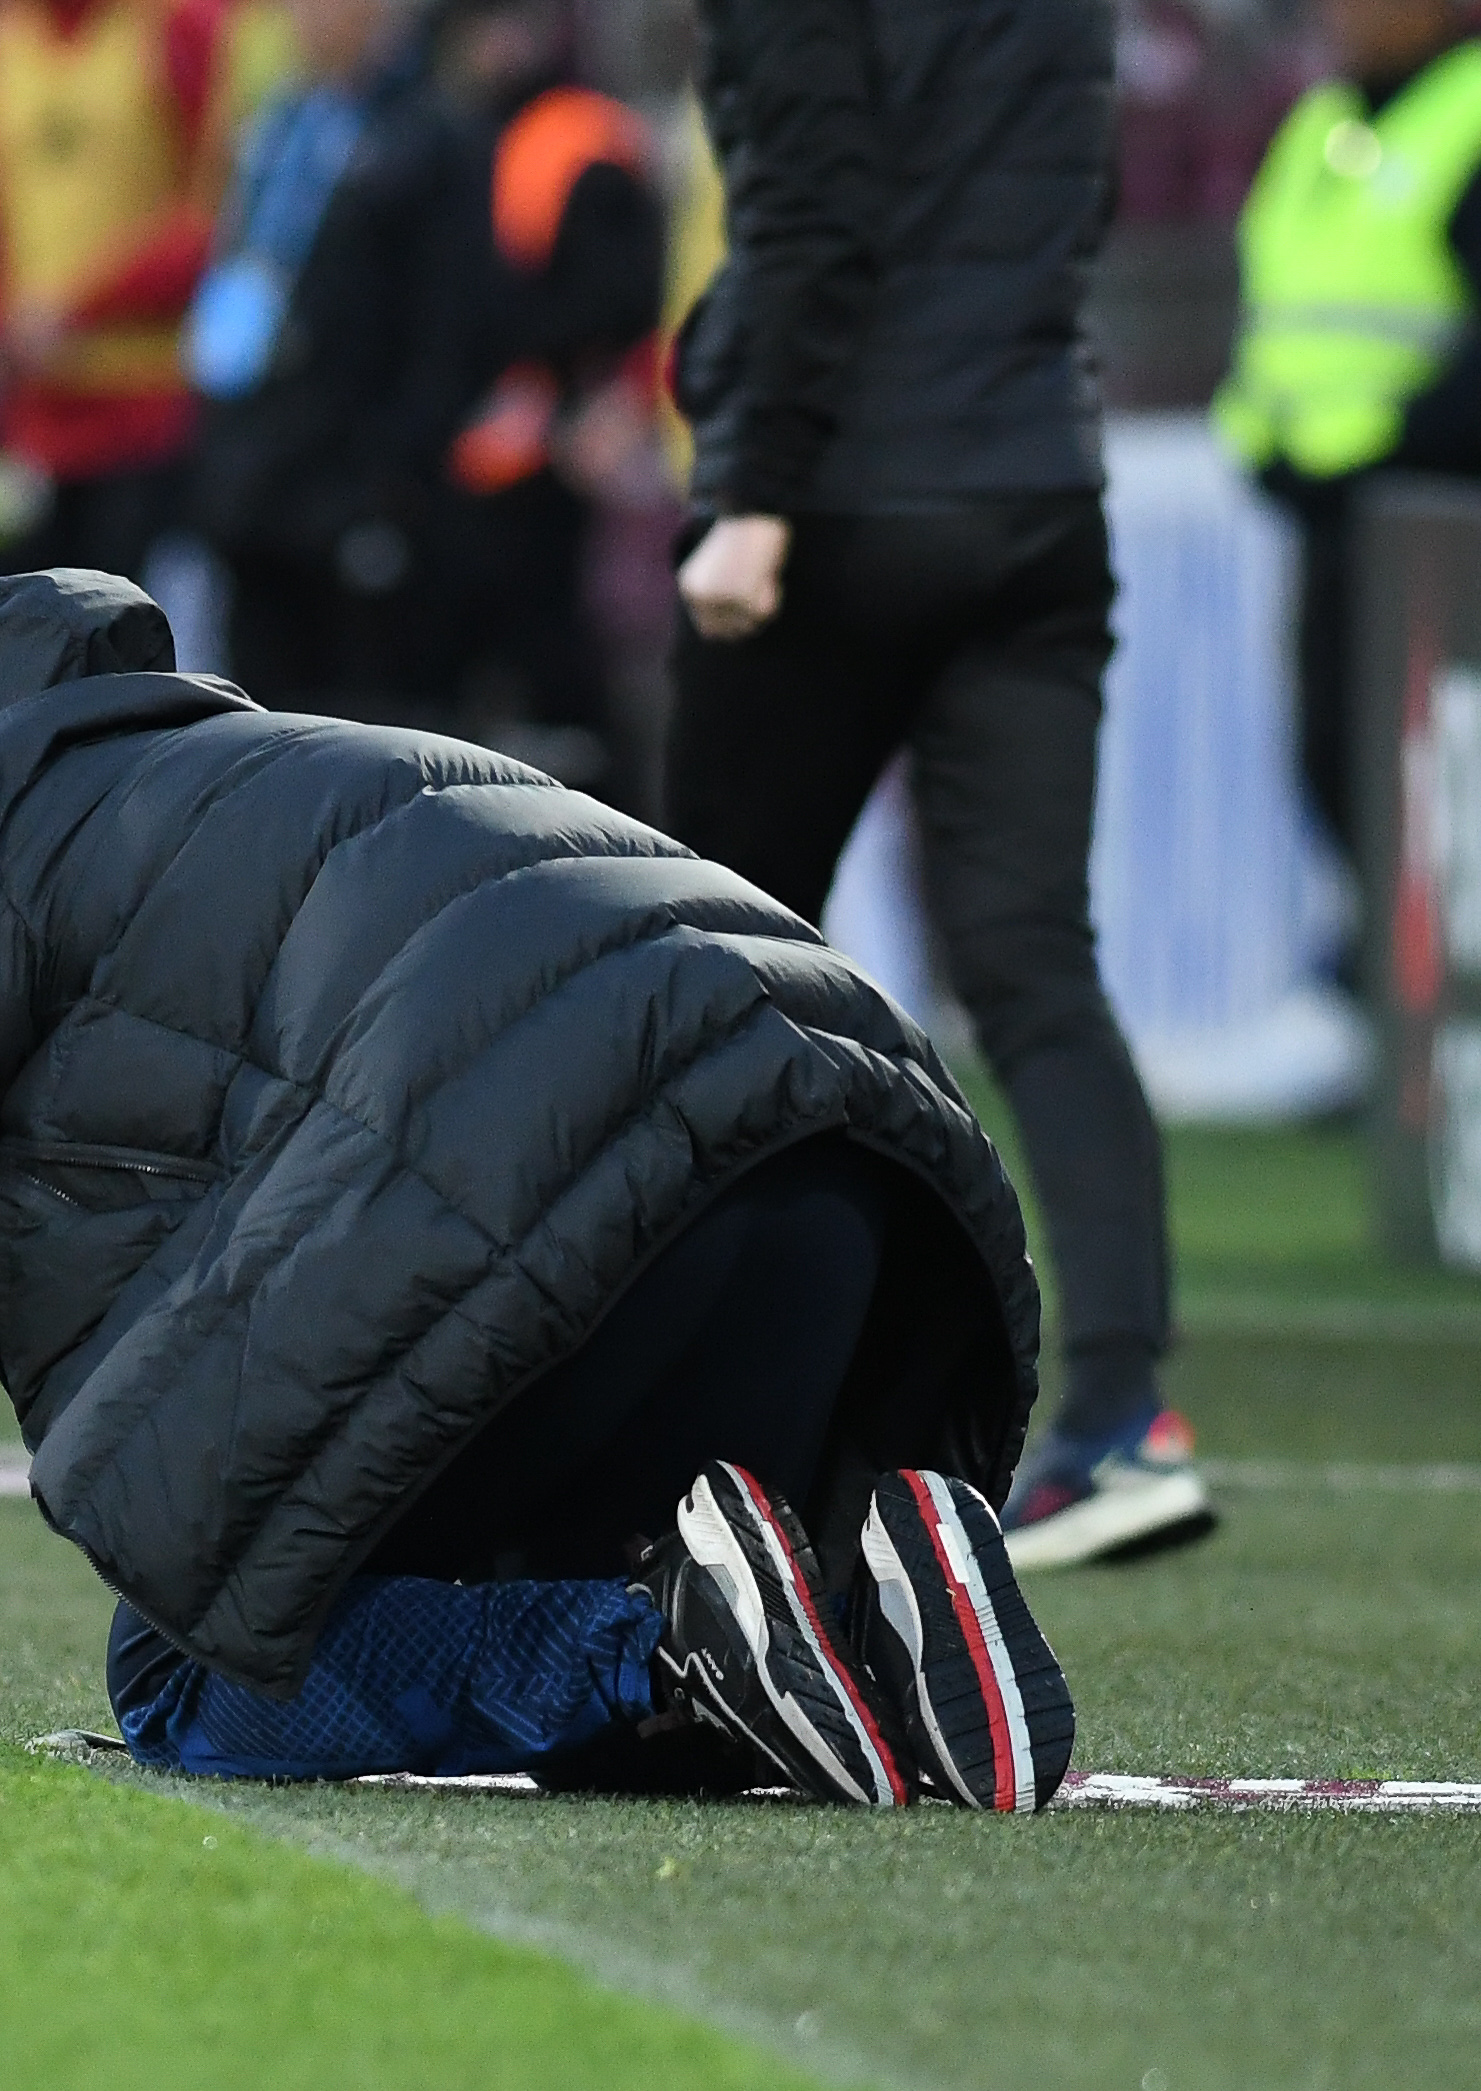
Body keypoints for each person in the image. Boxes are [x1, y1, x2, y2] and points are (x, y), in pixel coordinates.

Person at [0, 569, 1074, 1808]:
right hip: (858, 1180)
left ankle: (666, 1638)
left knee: (196, 1673)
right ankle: (883, 1562)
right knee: (650, 1696)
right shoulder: (302, 774)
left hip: (572, 1197)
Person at [662, 0, 1208, 1565]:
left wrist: (753, 485)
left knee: (704, 966)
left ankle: (699, 1411)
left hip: (836, 501)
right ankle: (1120, 1414)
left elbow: (812, 214)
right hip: (1034, 494)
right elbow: (1063, 200)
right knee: (1034, 964)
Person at [183, 0, 504, 728]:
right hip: (257, 484)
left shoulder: (428, 139)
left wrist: (385, 486)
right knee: (262, 727)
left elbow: (451, 336)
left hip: (356, 498)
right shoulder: (279, 126)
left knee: (362, 730)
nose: (304, 19)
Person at [1214, 0, 1481, 857]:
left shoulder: (1463, 113)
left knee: (1436, 784)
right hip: (1332, 517)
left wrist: (1391, 452)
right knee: (1343, 764)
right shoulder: (1324, 121)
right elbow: (1279, 306)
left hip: (1445, 521)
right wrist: (1267, 450)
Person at [438, 0, 666, 809]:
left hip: (560, 448)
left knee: (573, 669)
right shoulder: (497, 129)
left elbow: (618, 294)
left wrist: (557, 383)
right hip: (505, 446)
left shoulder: (575, 133)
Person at [0, 0, 230, 582]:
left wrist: (80, 309)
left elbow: (213, 217)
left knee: (132, 648)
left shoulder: (178, 28)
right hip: (28, 418)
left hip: (148, 414)